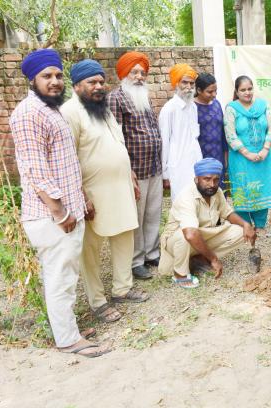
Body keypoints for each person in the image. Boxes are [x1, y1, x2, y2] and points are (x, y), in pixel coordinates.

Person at [10, 49, 110, 357]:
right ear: (32, 80)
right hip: (51, 215)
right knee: (59, 276)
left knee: (64, 273)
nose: (54, 82)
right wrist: (59, 211)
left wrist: (78, 202)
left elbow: (65, 163)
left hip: (68, 210)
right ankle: (68, 340)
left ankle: (67, 329)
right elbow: (35, 168)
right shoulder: (29, 113)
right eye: (46, 76)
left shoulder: (50, 109)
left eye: (57, 75)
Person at [61, 59, 149, 323]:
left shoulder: (104, 109)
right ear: (77, 86)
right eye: (92, 82)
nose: (98, 86)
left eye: (101, 81)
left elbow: (119, 146)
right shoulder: (70, 113)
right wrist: (80, 196)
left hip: (120, 187)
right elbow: (68, 159)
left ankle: (122, 289)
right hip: (92, 194)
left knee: (124, 236)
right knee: (91, 249)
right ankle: (97, 302)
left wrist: (131, 177)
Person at [158, 158, 256, 288]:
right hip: (177, 239)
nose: (212, 184)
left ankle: (198, 258)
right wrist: (214, 259)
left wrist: (246, 224)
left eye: (216, 180)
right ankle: (180, 275)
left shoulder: (217, 192)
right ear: (196, 179)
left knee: (239, 232)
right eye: (207, 179)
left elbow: (227, 213)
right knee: (184, 236)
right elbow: (191, 234)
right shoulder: (186, 197)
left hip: (202, 234)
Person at [108, 51, 162, 280]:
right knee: (136, 217)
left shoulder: (144, 96)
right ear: (124, 74)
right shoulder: (115, 98)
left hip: (154, 166)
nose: (140, 77)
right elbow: (115, 137)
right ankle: (136, 260)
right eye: (135, 72)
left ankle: (152, 253)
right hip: (134, 170)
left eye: (143, 73)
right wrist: (126, 170)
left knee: (153, 213)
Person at [224, 75, 271, 231]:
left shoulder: (263, 105)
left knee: (262, 188)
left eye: (250, 89)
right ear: (237, 92)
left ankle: (260, 226)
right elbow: (230, 134)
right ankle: (245, 227)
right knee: (243, 189)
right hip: (241, 159)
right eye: (243, 90)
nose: (247, 92)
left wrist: (265, 149)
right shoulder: (232, 108)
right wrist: (247, 153)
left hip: (263, 158)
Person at [159, 63, 202, 200]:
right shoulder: (169, 109)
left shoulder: (193, 107)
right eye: (185, 83)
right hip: (177, 165)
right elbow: (164, 142)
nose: (189, 87)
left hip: (195, 161)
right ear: (176, 83)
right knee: (181, 202)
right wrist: (165, 173)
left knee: (197, 200)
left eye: (192, 83)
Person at [195, 73, 227, 185]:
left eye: (215, 91)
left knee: (219, 190)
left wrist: (225, 157)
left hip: (218, 156)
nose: (214, 94)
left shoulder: (217, 104)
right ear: (199, 90)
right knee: (205, 189)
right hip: (201, 157)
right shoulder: (192, 107)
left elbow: (223, 133)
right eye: (209, 92)